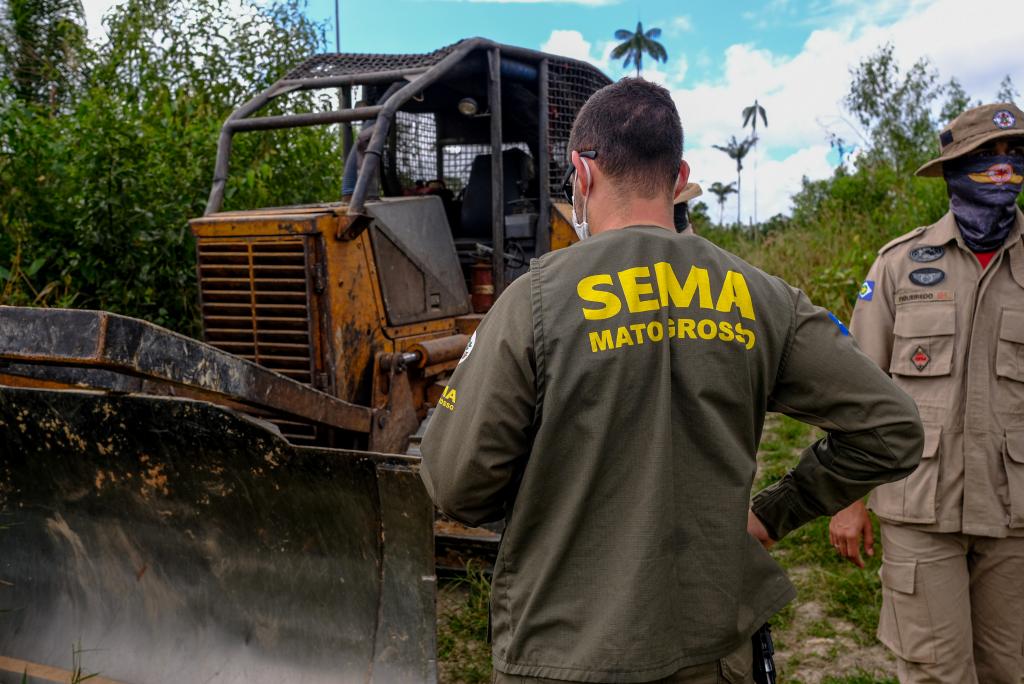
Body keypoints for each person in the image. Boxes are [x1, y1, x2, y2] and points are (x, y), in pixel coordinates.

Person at [420, 78, 923, 684]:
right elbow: (892, 430)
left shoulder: (536, 301)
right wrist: (772, 513)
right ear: (678, 172)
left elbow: (457, 488)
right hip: (710, 649)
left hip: (562, 653)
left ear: (581, 174)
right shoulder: (764, 298)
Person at [828, 102, 1024, 684]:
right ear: (953, 168)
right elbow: (855, 390)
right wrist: (847, 497)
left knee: (1008, 671)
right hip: (920, 506)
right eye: (985, 157)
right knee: (936, 672)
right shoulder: (900, 264)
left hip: (1015, 513)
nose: (1003, 168)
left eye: (1014, 155)